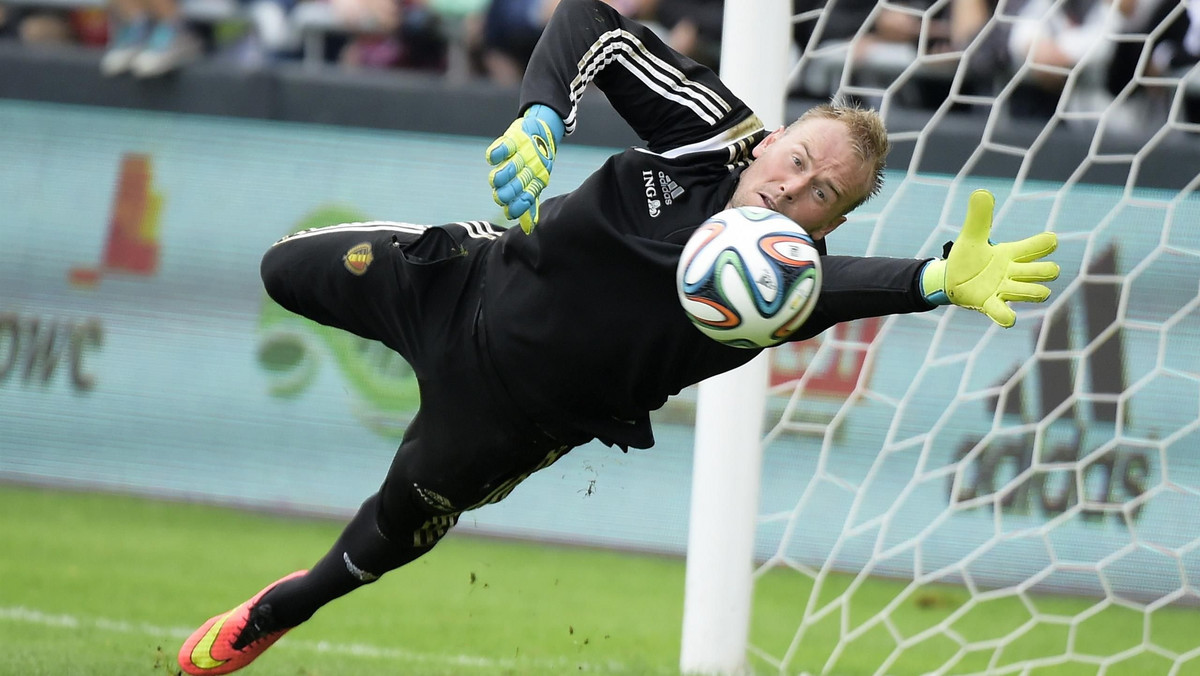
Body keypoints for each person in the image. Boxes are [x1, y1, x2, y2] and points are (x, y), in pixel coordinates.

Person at [176, 0, 1060, 673]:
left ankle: (282, 609)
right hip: (463, 285)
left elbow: (862, 285)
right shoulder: (713, 131)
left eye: (823, 193)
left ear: (831, 222)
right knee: (282, 269)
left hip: (511, 421)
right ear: (772, 139)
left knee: (380, 543)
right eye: (798, 160)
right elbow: (588, 22)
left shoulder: (790, 283)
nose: (796, 189)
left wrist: (939, 279)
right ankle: (468, 241)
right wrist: (540, 116)